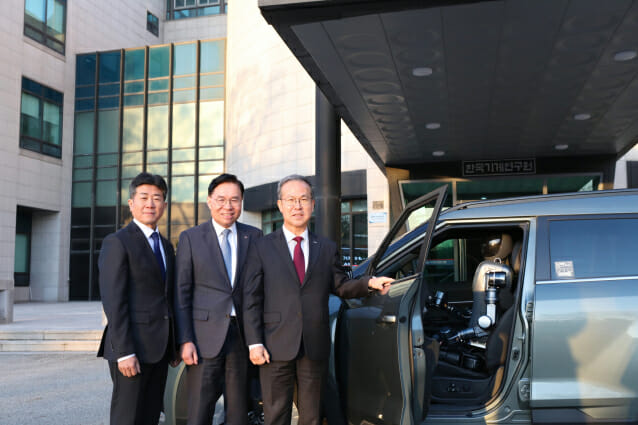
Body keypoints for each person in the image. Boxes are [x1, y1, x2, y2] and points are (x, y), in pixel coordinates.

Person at [242, 174, 393, 425]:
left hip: (313, 343)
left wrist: (369, 283)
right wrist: (254, 343)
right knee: (276, 415)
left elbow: (341, 285)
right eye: (291, 200)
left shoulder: (325, 247)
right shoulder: (261, 247)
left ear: (313, 204)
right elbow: (251, 298)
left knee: (312, 416)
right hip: (274, 344)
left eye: (303, 199)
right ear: (280, 205)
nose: (297, 206)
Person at [175, 173, 263, 425]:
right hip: (203, 338)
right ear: (209, 201)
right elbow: (182, 293)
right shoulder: (191, 238)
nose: (228, 206)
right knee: (200, 410)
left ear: (241, 202)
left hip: (240, 337)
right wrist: (185, 340)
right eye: (221, 199)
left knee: (238, 411)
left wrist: (256, 340)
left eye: (235, 199)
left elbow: (258, 290)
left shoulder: (254, 236)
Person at [97, 172, 177, 425]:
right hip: (131, 349)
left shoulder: (166, 246)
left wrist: (174, 343)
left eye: (157, 198)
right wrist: (124, 352)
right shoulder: (117, 242)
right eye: (144, 197)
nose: (150, 204)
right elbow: (114, 302)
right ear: (131, 203)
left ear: (164, 205)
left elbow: (167, 297)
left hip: (159, 349)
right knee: (127, 417)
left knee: (150, 416)